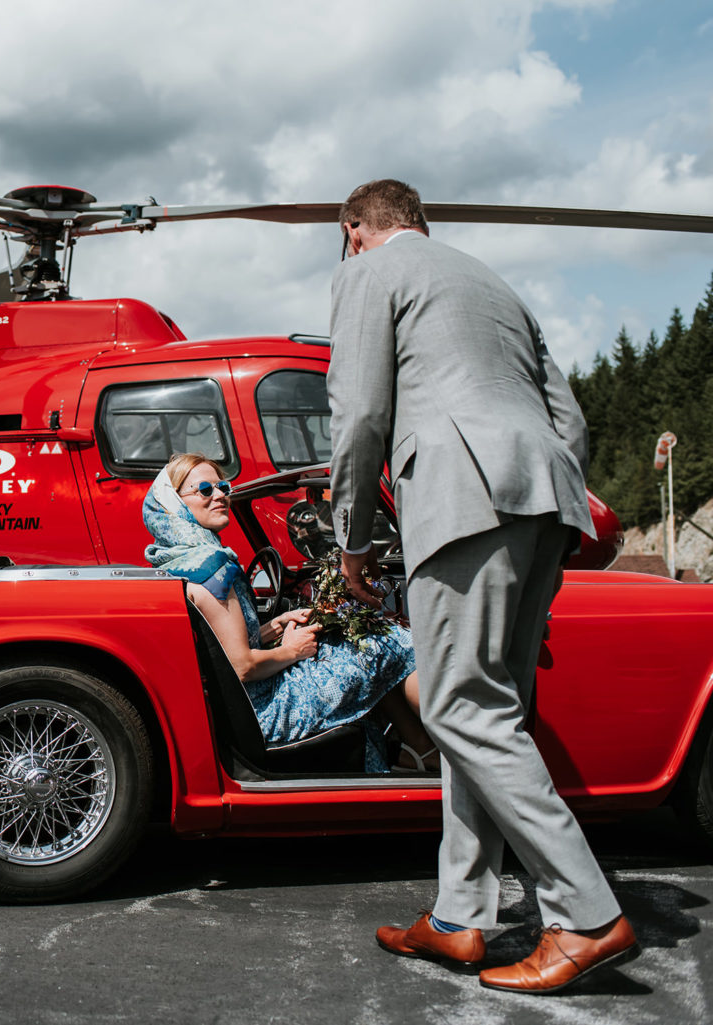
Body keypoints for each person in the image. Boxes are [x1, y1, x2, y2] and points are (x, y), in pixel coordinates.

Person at [329, 179, 637, 993]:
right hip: (544, 500)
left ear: (356, 229)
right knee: (490, 705)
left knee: (460, 706)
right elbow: (566, 417)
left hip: (462, 498)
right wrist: (553, 498)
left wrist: (352, 536)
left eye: (345, 238)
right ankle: (462, 915)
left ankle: (586, 913)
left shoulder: (369, 272)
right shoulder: (492, 282)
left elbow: (358, 411)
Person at [144, 452, 433, 773]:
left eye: (223, 486)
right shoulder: (214, 566)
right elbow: (242, 667)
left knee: (365, 647)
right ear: (174, 504)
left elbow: (219, 646)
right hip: (270, 713)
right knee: (391, 641)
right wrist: (292, 650)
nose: (221, 495)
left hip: (242, 709)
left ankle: (417, 749)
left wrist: (274, 627)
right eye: (205, 490)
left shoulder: (173, 561)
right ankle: (457, 738)